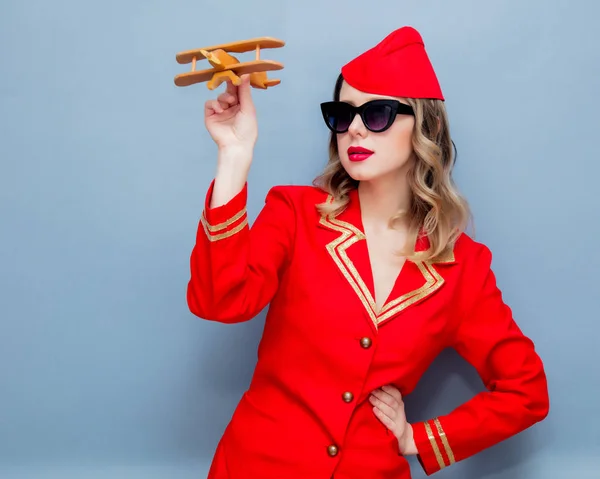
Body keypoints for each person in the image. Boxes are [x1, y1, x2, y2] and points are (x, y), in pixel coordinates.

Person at [186, 26, 549, 479]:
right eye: (342, 114)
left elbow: (526, 391)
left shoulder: (463, 267)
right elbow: (219, 301)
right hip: (258, 465)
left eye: (376, 113)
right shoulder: (296, 214)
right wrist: (234, 158)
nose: (354, 127)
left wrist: (417, 438)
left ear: (426, 126)